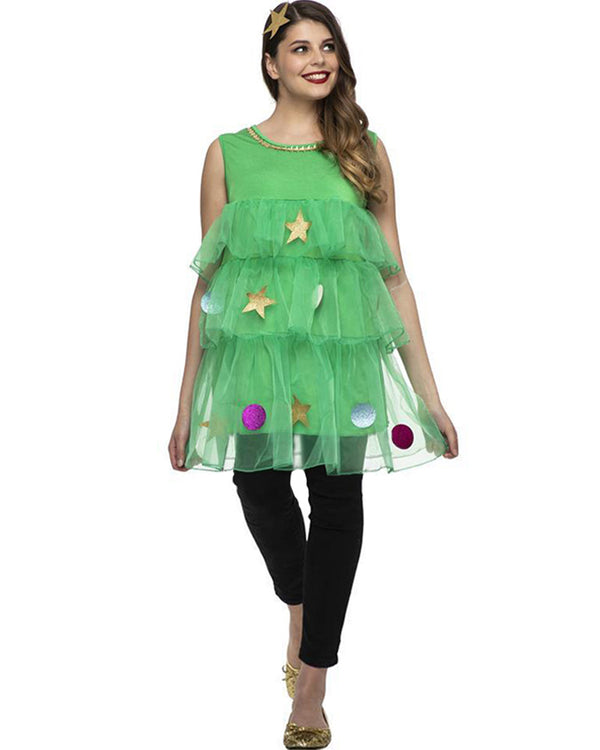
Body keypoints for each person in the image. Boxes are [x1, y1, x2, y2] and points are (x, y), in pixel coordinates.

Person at [168, 1, 459, 746]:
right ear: (271, 64)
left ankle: (313, 681)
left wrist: (430, 397)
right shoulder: (227, 153)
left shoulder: (364, 151)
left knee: (335, 504)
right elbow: (210, 286)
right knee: (258, 486)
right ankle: (301, 608)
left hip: (341, 360)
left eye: (327, 45)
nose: (317, 59)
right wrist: (185, 400)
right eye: (299, 48)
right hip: (257, 362)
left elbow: (395, 278)